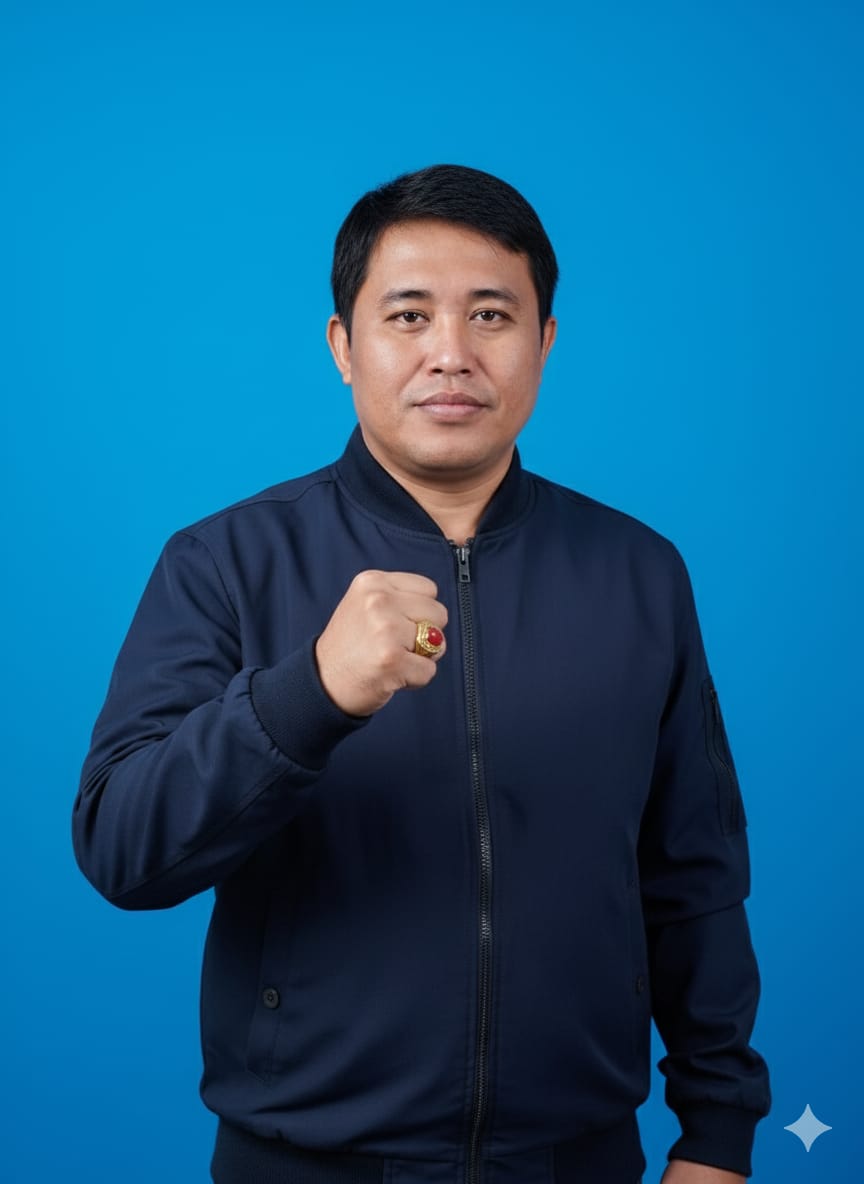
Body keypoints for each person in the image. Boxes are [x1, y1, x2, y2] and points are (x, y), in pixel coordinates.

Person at [74, 164, 770, 1184]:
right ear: (342, 346)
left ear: (545, 342)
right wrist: (309, 693)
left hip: (576, 1159)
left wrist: (718, 1132)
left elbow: (694, 871)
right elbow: (122, 849)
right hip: (301, 1160)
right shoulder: (225, 562)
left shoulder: (639, 572)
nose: (452, 353)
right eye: (408, 316)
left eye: (491, 314)